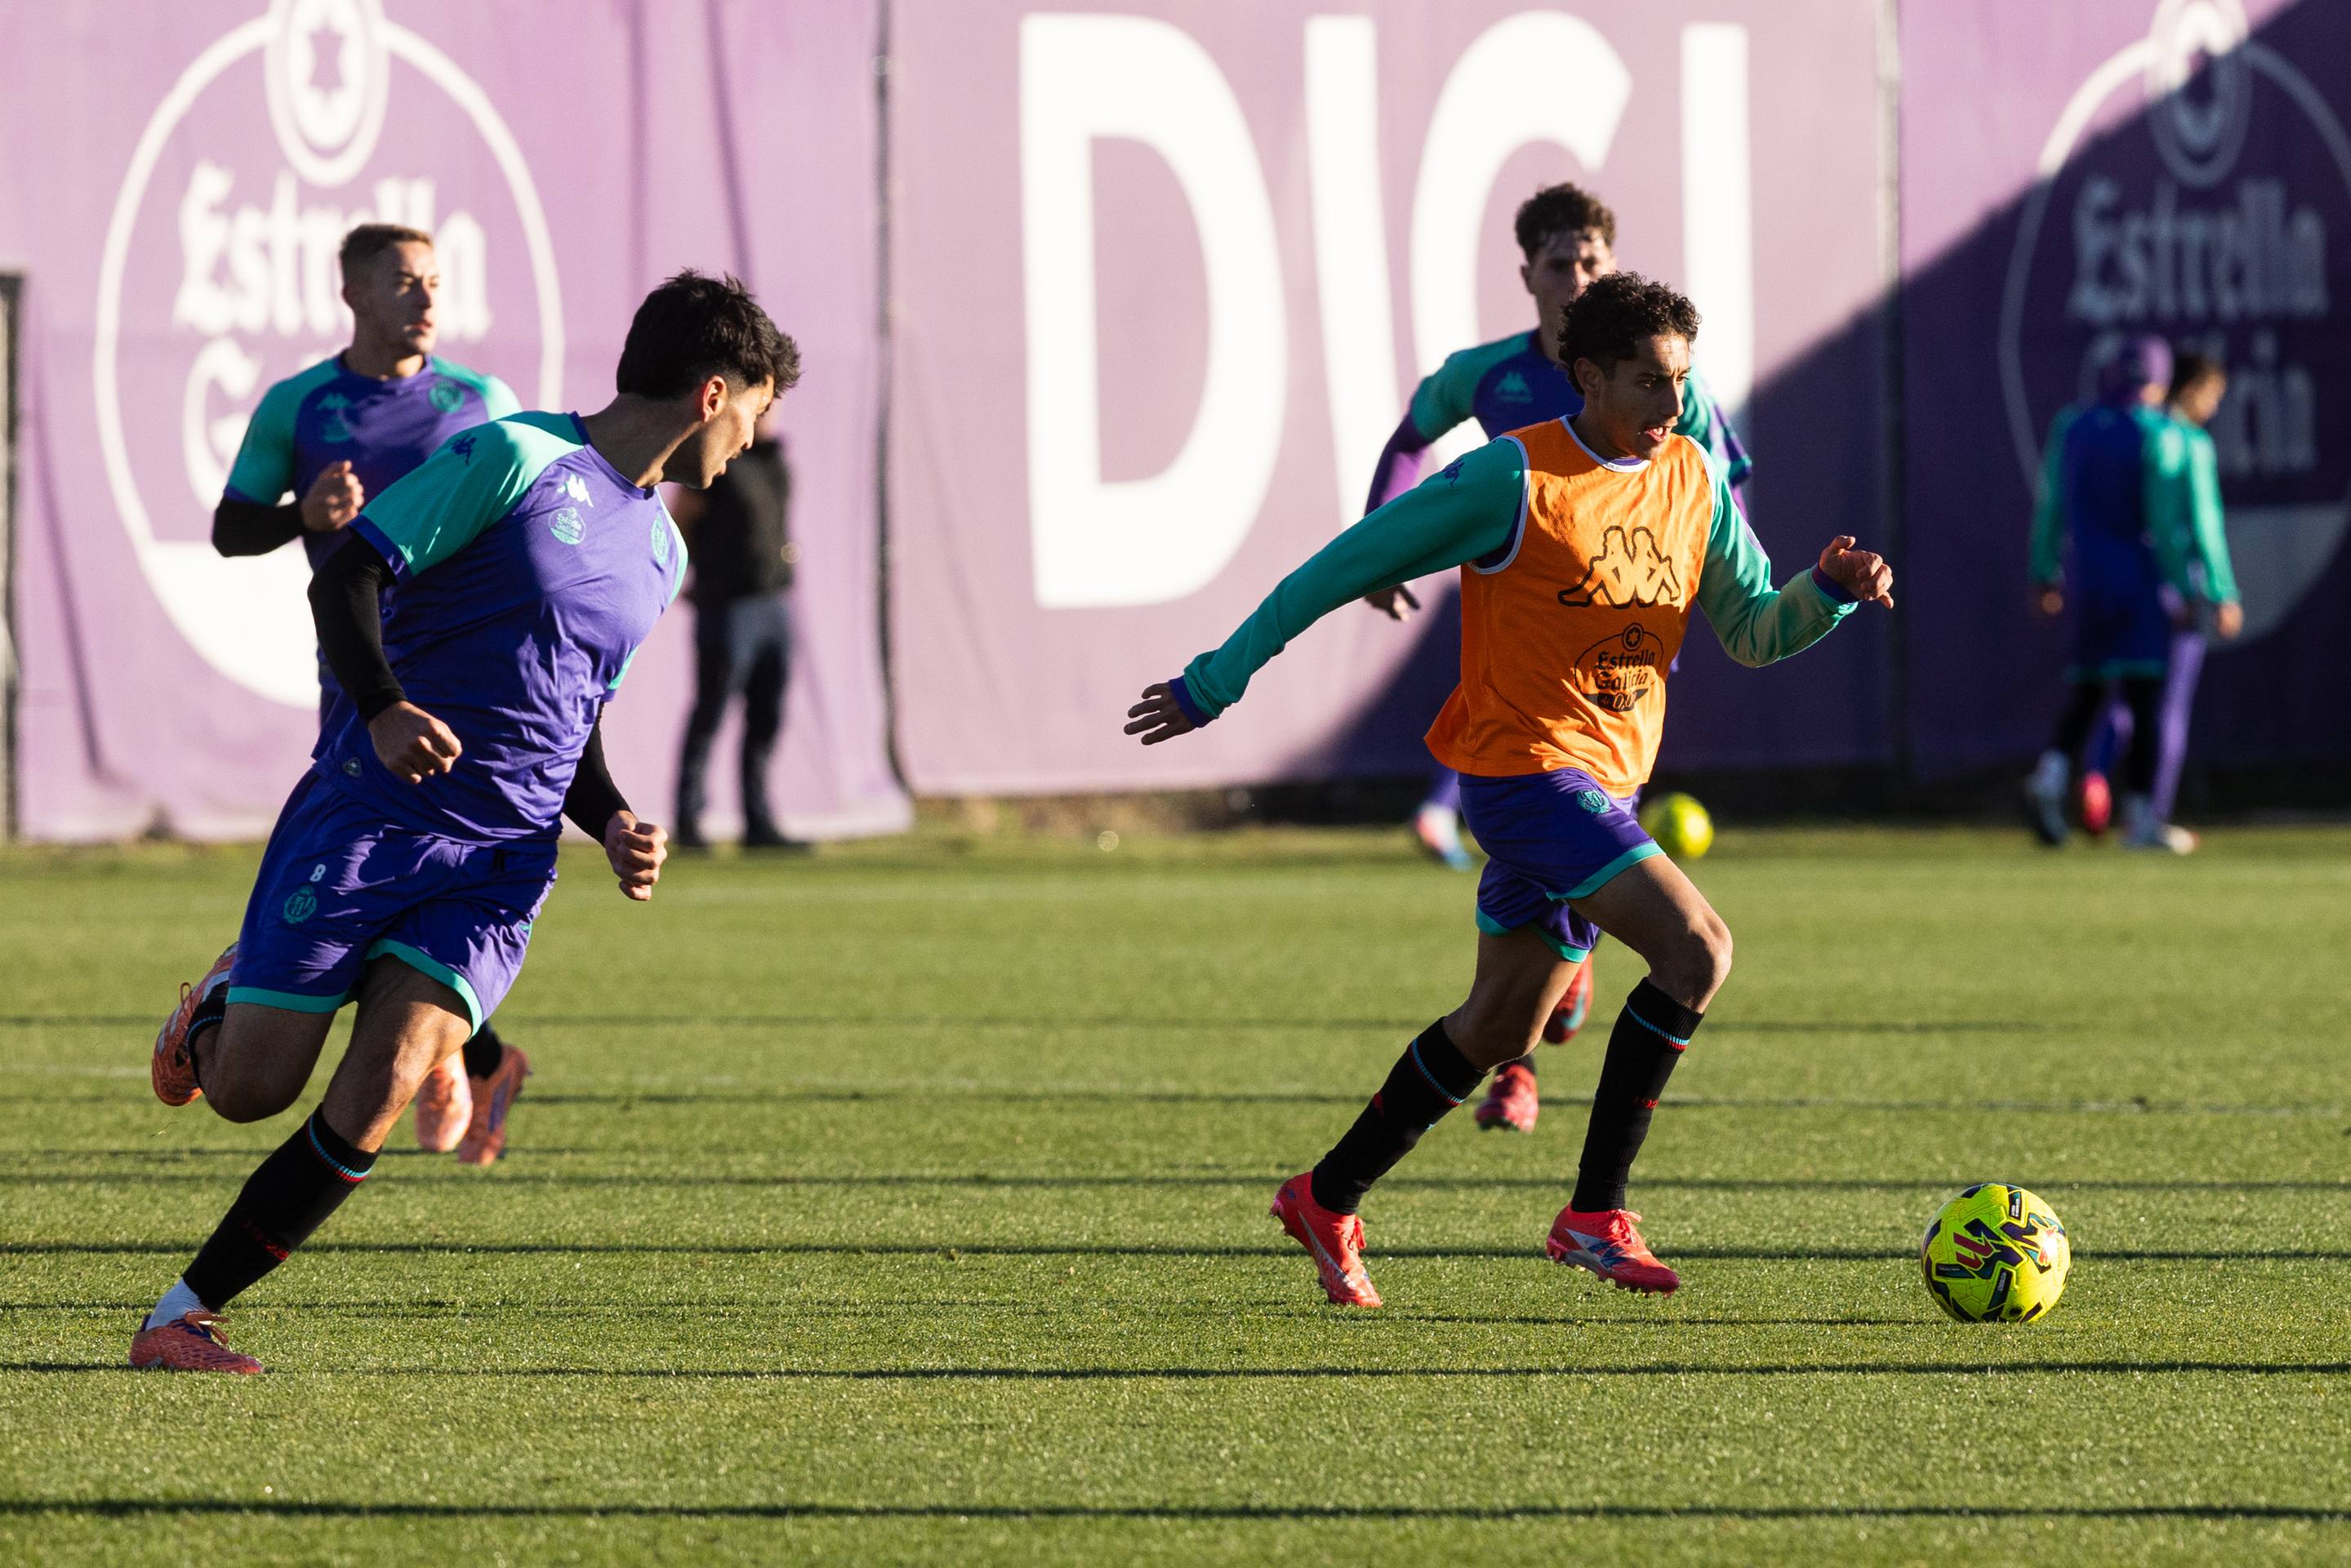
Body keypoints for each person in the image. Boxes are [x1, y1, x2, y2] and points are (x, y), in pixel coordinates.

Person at [1125, 274, 1890, 1307]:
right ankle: (1593, 1215)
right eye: (1646, 383)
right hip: (1522, 775)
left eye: (1680, 382)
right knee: (1696, 949)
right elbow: (1335, 568)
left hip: (1603, 788)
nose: (1670, 408)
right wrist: (1215, 679)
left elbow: (1753, 631)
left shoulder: (1693, 480)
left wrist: (1827, 596)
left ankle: (1325, 1194)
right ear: (1584, 376)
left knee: (1500, 1029)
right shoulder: (1512, 480)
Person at [132, 270, 798, 1373]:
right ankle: (215, 1002)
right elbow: (344, 577)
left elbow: (569, 713)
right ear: (712, 393)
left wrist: (615, 816)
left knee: (387, 1080)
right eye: (756, 414)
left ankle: (180, 1316)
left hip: (500, 862)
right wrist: (387, 710)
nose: (751, 442)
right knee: (250, 1091)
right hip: (372, 812)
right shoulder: (515, 457)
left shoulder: (663, 553)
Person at [1356, 181, 1754, 1133]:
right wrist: (1381, 539)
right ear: (1526, 274)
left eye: (1591, 262)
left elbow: (1721, 494)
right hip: (1520, 606)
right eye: (1558, 263)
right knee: (1554, 817)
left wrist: (1728, 588)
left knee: (1557, 899)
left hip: (1621, 634)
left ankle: (1516, 1044)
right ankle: (1530, 1086)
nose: (1576, 276)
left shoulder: (1654, 381)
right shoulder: (1485, 376)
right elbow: (1408, 441)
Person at [213, 221, 530, 1163]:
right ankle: (475, 1060)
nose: (426, 298)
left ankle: (453, 1052)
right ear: (352, 293)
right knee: (374, 873)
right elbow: (233, 530)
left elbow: (525, 524)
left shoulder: (481, 402)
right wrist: (299, 518)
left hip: (465, 687)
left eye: (434, 280)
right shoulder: (299, 405)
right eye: (403, 281)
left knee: (441, 867)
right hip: (359, 686)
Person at [2024, 337, 2238, 853]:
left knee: (2090, 691)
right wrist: (2203, 590)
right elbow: (2170, 525)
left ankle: (2050, 778)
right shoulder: (2169, 436)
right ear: (2162, 381)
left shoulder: (2072, 427)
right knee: (2146, 699)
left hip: (2087, 581)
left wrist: (2043, 573)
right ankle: (2142, 816)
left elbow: (2052, 506)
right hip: (2140, 584)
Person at [667, 404, 796, 849]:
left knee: (767, 716)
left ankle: (758, 822)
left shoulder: (774, 460)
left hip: (773, 604)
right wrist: (676, 576)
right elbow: (681, 517)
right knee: (712, 711)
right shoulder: (720, 462)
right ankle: (689, 821)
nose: (772, 418)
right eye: (764, 408)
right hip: (728, 608)